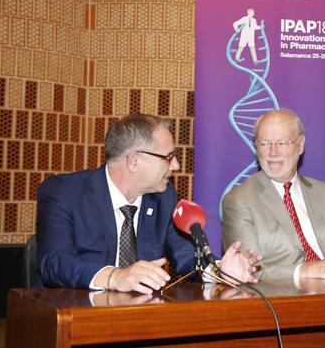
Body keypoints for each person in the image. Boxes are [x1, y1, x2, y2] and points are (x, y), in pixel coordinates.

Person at [37, 113, 261, 294]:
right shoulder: (64, 193)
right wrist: (116, 277)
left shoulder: (164, 196)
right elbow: (55, 263)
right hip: (73, 313)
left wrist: (219, 271)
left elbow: (185, 256)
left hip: (140, 317)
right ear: (133, 161)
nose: (176, 165)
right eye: (168, 157)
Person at [222, 109, 325, 282]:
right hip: (280, 302)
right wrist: (313, 270)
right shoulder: (239, 200)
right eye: (264, 143)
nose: (273, 152)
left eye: (282, 143)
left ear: (301, 145)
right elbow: (247, 271)